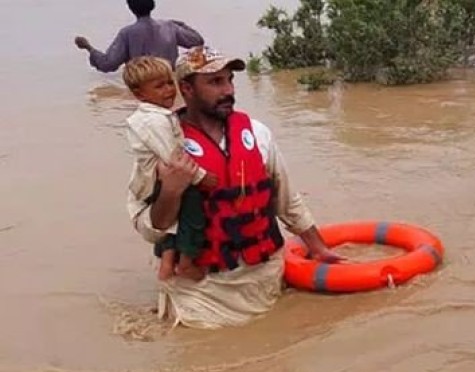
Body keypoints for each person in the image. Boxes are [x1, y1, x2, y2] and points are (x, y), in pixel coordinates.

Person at [126, 46, 341, 329]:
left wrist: (317, 247)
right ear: (186, 89)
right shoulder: (162, 146)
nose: (228, 90)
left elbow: (286, 201)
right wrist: (171, 190)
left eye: (229, 80)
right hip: (202, 294)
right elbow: (150, 228)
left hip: (264, 279)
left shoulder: (257, 134)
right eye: (215, 82)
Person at [122, 56, 214, 281]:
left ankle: (166, 264)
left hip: (154, 180)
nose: (168, 90)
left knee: (174, 217)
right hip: (158, 181)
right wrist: (202, 177)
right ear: (140, 94)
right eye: (159, 86)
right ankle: (187, 263)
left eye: (169, 83)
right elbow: (174, 157)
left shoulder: (157, 116)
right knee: (192, 211)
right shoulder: (153, 122)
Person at [75, 0, 205, 73]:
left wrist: (88, 47)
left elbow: (108, 64)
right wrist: (179, 23)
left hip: (143, 85)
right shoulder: (169, 26)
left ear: (131, 8)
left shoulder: (127, 33)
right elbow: (197, 41)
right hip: (168, 81)